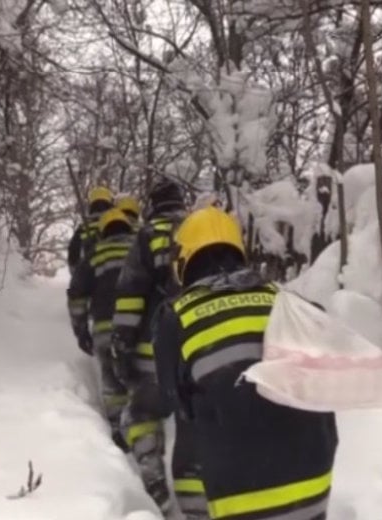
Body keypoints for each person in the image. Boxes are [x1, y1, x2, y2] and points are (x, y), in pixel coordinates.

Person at [152, 206, 338, 520]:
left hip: (239, 489)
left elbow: (175, 399)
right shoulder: (286, 300)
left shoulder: (176, 317)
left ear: (183, 261)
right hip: (313, 480)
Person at [111, 178, 206, 518]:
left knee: (142, 415)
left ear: (153, 205)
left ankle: (156, 491)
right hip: (198, 350)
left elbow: (131, 294)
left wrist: (121, 345)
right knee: (195, 422)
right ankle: (199, 506)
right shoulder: (199, 229)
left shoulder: (147, 237)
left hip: (152, 351)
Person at [66, 207, 136, 447]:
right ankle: (142, 425)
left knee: (111, 377)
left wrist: (81, 331)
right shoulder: (140, 251)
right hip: (139, 327)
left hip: (105, 328)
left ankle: (118, 427)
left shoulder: (95, 255)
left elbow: (76, 295)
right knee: (139, 376)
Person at [67, 186, 114, 275]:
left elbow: (73, 253)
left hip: (91, 275)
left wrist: (76, 275)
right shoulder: (118, 224)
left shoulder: (83, 228)